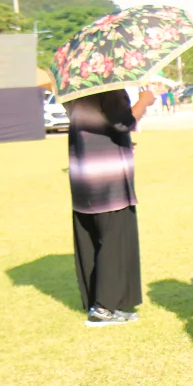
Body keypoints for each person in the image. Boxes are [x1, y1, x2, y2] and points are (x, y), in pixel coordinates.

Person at [67, 87, 155, 326]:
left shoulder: (75, 89)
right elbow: (122, 123)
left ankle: (98, 302)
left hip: (83, 174)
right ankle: (104, 307)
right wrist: (144, 101)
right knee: (115, 240)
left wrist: (120, 142)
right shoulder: (107, 88)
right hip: (107, 178)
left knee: (91, 240)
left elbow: (99, 127)